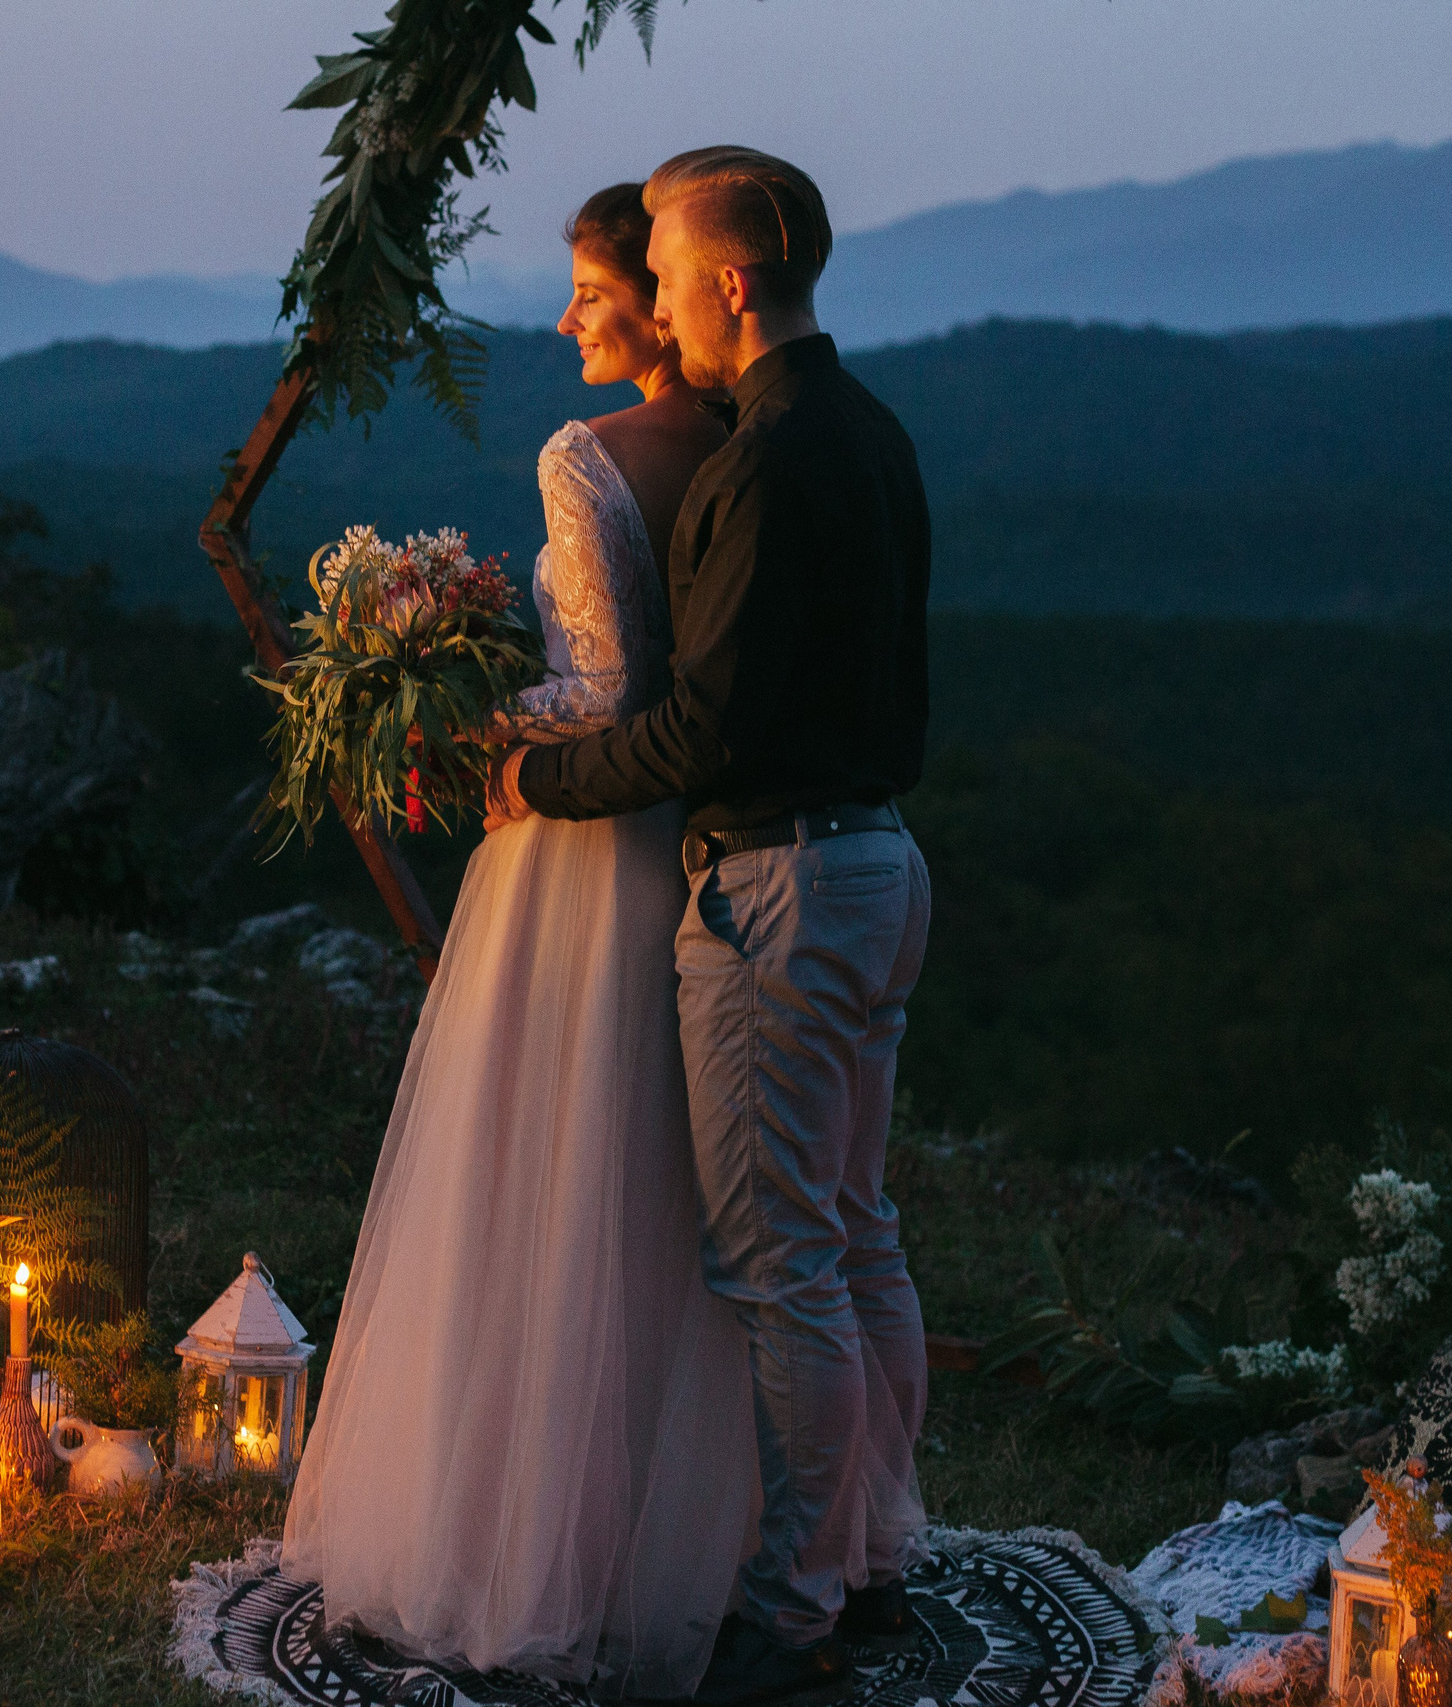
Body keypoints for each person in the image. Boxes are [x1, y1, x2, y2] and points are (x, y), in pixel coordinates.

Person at [279, 183, 758, 1700]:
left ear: (656, 297)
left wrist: (462, 710)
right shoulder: (751, 451)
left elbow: (605, 697)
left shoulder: (586, 456)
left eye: (589, 291)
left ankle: (522, 1542)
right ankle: (684, 1544)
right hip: (700, 854)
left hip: (576, 852)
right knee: (661, 1189)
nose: (569, 322)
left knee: (546, 1180)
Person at [487, 146, 936, 1707]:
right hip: (884, 862)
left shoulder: (763, 465)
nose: (660, 304)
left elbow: (708, 733)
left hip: (781, 888)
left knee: (781, 1267)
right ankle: (878, 1556)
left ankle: (793, 1615)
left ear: (731, 282)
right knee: (859, 1232)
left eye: (668, 274)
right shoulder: (871, 435)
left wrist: (539, 776)